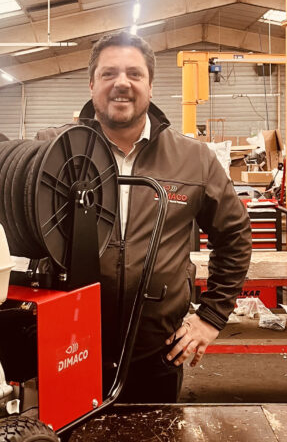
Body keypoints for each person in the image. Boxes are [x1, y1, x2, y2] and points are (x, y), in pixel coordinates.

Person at [40, 31, 252, 403]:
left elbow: (233, 236)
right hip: (67, 349)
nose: (121, 83)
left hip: (157, 353)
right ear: (92, 84)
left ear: (150, 86)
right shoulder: (51, 153)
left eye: (134, 74)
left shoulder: (194, 160)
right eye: (109, 74)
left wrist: (211, 317)